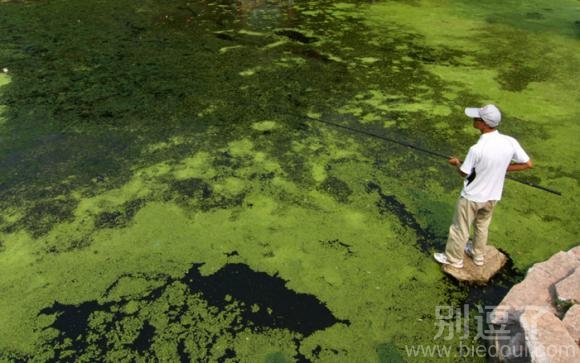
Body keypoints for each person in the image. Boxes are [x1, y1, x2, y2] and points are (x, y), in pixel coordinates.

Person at [434, 104, 533, 269]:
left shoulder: (477, 149)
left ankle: (453, 259)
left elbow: (464, 173)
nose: (474, 120)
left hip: (472, 197)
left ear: (484, 124)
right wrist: (504, 168)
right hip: (492, 196)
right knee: (482, 226)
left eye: (477, 118)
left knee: (460, 228)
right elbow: (528, 164)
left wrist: (456, 163)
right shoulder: (510, 141)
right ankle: (478, 255)